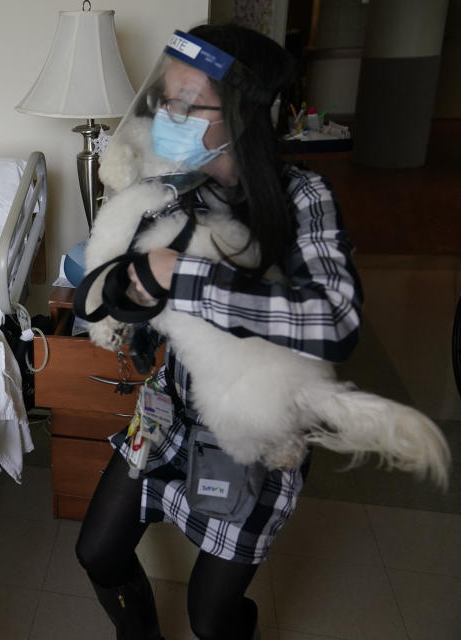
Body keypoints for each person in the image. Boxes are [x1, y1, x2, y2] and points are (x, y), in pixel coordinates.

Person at [75, 24, 363, 639]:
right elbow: (120, 295)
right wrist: (128, 290)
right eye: (165, 101)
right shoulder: (174, 185)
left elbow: (333, 318)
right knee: (97, 551)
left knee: (212, 617)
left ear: (240, 115)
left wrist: (187, 277)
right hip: (167, 410)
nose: (166, 117)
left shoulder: (304, 197)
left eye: (186, 104)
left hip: (257, 430)